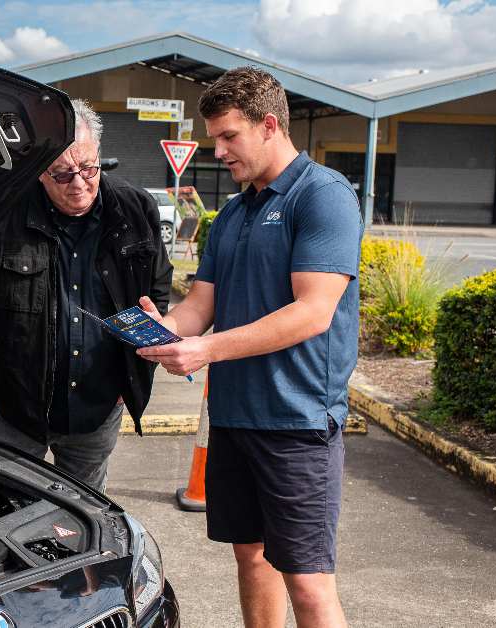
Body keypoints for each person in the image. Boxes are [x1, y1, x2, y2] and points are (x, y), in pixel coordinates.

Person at [136, 67, 361, 628]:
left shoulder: (325, 196)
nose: (218, 151)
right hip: (234, 417)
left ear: (269, 126)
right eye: (214, 137)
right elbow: (201, 304)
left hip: (297, 421)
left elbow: (313, 311)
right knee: (251, 557)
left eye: (228, 136)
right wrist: (166, 330)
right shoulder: (232, 212)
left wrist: (206, 351)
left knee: (308, 583)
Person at [0, 98, 173, 491]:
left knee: (83, 516)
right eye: (63, 174)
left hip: (99, 406)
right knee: (6, 506)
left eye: (89, 168)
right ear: (38, 171)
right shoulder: (5, 213)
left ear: (100, 155)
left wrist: (137, 372)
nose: (80, 184)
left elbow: (157, 288)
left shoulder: (135, 209)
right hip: (20, 407)